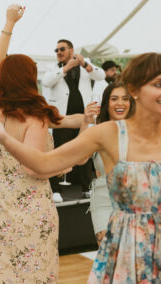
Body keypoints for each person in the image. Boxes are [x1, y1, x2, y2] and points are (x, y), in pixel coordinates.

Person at [0, 52, 161, 283]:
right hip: (128, 247)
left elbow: (66, 123)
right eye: (159, 83)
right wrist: (5, 138)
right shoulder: (108, 133)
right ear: (134, 89)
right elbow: (41, 165)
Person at [0, 5, 87, 282]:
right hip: (30, 209)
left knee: (2, 275)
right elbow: (37, 170)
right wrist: (70, 162)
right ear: (28, 79)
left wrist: (9, 24)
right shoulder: (35, 120)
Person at [42, 38, 105, 202]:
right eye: (56, 50)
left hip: (83, 117)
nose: (59, 53)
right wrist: (65, 69)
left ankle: (86, 187)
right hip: (61, 119)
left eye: (62, 49)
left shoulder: (85, 64)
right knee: (60, 152)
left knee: (84, 150)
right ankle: (56, 189)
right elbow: (46, 82)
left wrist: (84, 64)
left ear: (71, 50)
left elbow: (100, 75)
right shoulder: (53, 68)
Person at [80, 83, 135, 245]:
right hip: (105, 200)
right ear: (106, 103)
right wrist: (86, 122)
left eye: (125, 99)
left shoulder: (140, 130)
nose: (120, 103)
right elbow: (80, 159)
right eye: (114, 99)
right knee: (110, 260)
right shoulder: (97, 130)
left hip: (137, 200)